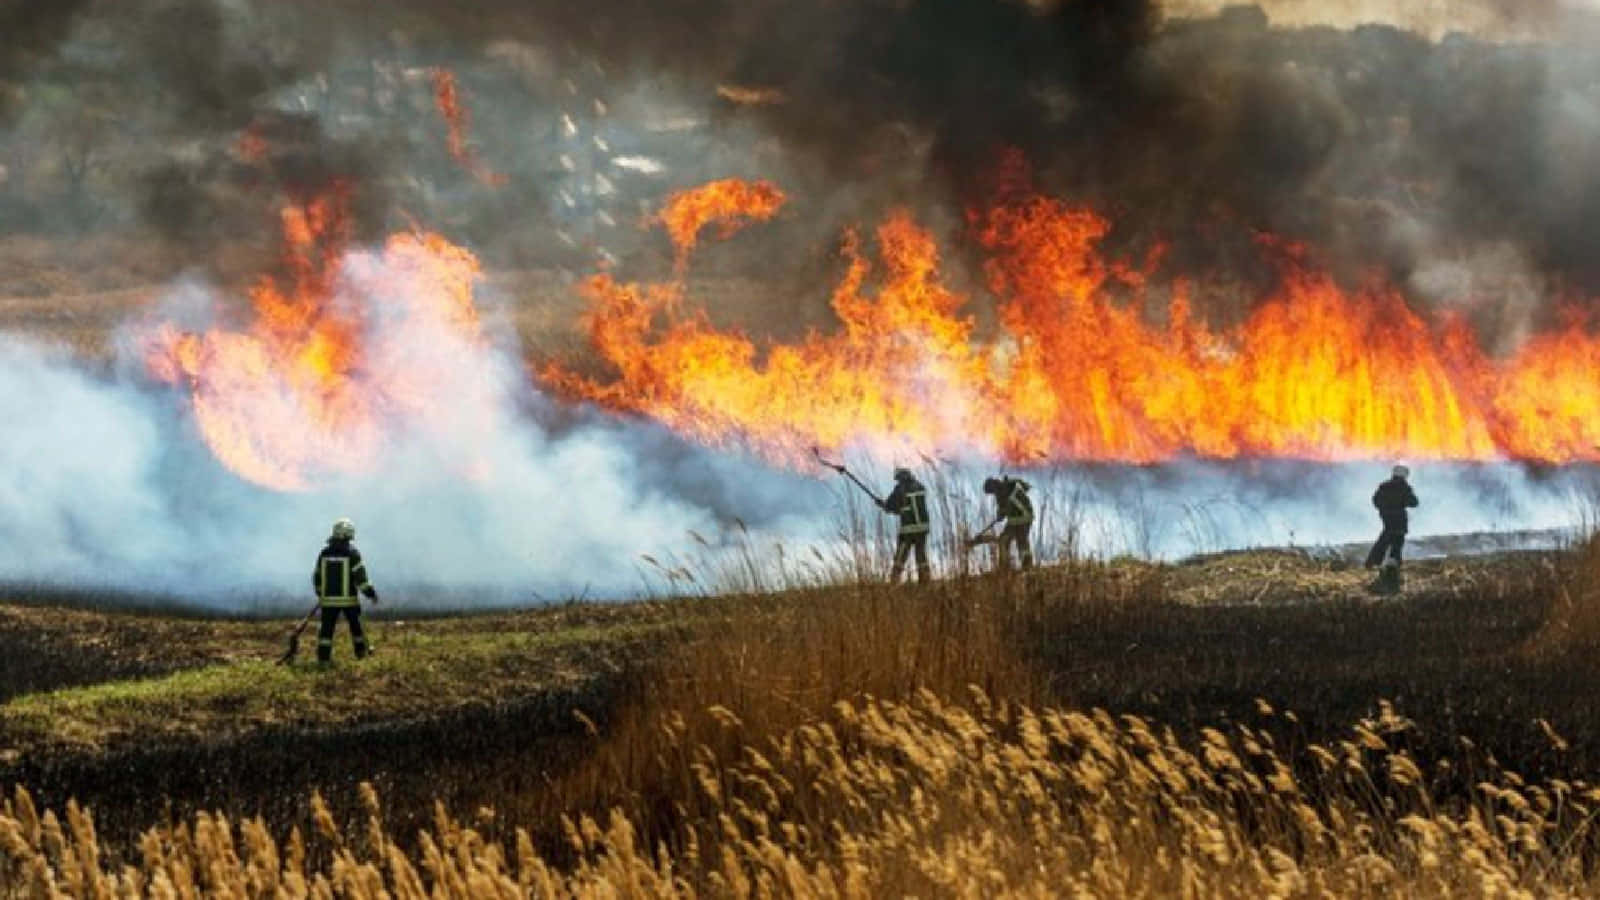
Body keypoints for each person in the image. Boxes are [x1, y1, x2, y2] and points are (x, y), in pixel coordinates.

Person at [313, 517, 379, 663]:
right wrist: (371, 593)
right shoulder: (352, 553)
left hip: (328, 601)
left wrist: (320, 593)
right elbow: (361, 579)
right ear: (348, 534)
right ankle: (361, 654)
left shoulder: (324, 553)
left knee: (326, 630)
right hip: (349, 601)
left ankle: (323, 658)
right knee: (357, 628)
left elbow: (317, 576)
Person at [1365, 464, 1419, 590]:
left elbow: (1375, 500)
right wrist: (1401, 502)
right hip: (1399, 518)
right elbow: (1414, 502)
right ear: (1404, 475)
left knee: (1385, 538)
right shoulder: (1405, 487)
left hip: (1386, 517)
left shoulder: (1384, 486)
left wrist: (1384, 508)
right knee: (1397, 541)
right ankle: (1393, 565)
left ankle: (1373, 561)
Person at [880, 467, 931, 583]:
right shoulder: (920, 486)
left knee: (901, 554)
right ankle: (925, 580)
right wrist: (894, 509)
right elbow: (906, 507)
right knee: (921, 554)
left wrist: (883, 505)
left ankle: (894, 580)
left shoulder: (900, 489)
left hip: (908, 528)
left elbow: (890, 506)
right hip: (923, 527)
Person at [982, 476, 1035, 571]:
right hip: (1021, 518)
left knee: (1008, 540)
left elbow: (1003, 511)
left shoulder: (1002, 491)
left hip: (1022, 518)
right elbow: (1004, 510)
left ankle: (1005, 567)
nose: (992, 494)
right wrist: (1001, 515)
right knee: (1018, 541)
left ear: (993, 487)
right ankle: (1026, 566)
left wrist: (1000, 515)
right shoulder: (1008, 485)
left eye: (991, 492)